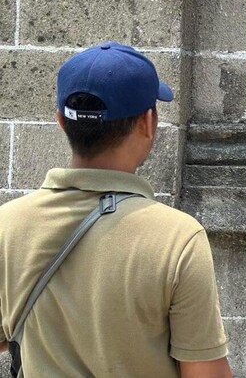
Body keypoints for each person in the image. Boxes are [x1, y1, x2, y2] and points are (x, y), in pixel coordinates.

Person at [0, 41, 232, 378]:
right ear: (147, 122)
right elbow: (205, 373)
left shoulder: (7, 224)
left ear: (61, 122)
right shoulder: (177, 239)